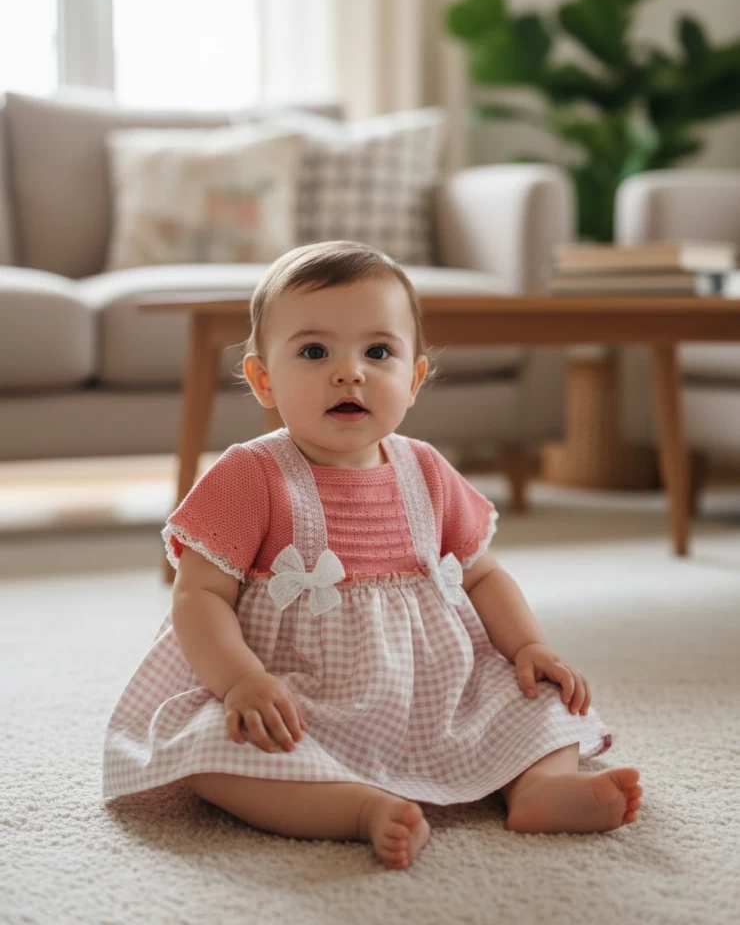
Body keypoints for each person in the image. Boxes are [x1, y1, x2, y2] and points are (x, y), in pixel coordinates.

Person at [103, 241, 642, 869]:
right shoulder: (252, 474)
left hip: (436, 693)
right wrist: (242, 681)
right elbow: (198, 596)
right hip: (296, 695)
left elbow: (483, 573)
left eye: (378, 352)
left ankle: (542, 787)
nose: (349, 372)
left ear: (413, 379)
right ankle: (354, 808)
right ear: (263, 379)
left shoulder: (427, 470)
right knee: (212, 752)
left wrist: (527, 647)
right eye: (314, 352)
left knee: (539, 697)